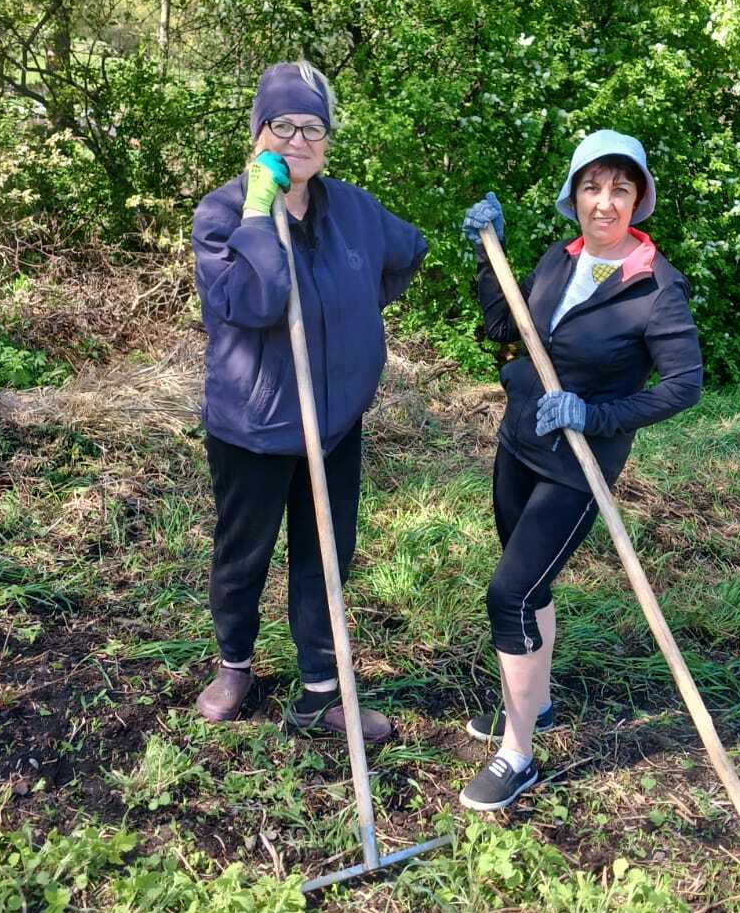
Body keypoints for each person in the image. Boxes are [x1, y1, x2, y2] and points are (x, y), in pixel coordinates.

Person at [458, 130, 703, 809]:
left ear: (639, 199)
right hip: (519, 444)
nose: (605, 201)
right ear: (574, 195)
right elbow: (502, 325)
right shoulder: (557, 262)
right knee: (530, 588)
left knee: (509, 595)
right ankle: (532, 704)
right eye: (592, 186)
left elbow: (684, 387)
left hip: (578, 465)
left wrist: (593, 415)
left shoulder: (654, 287)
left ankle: (517, 756)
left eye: (620, 188)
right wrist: (488, 255)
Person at [191, 61, 427, 740]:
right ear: (258, 130)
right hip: (254, 425)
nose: (298, 140)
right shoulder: (220, 213)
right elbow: (258, 302)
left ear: (328, 138)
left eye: (312, 127)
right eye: (282, 124)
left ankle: (321, 692)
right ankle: (235, 664)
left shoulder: (352, 208)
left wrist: (353, 311)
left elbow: (408, 251)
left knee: (326, 554)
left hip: (333, 421)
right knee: (244, 553)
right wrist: (259, 213)